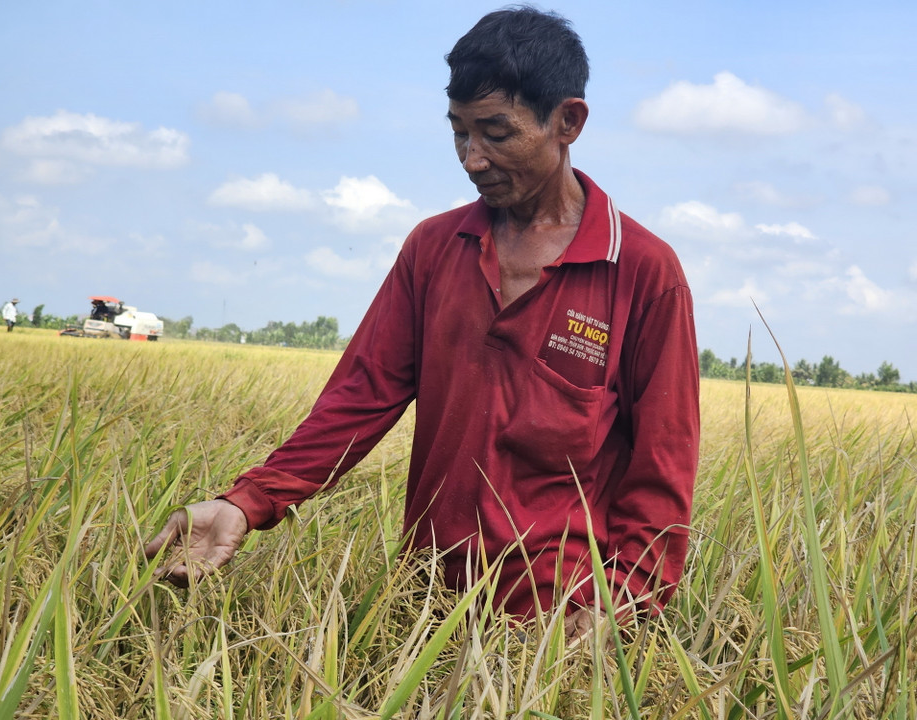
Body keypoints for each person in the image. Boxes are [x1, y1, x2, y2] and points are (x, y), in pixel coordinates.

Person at [145, 7, 699, 639]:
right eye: (459, 133)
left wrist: (620, 607)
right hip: (424, 600)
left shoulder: (642, 271)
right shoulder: (435, 248)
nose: (472, 158)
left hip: (558, 621)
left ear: (568, 121)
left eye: (496, 132)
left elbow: (663, 464)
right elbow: (360, 397)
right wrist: (246, 501)